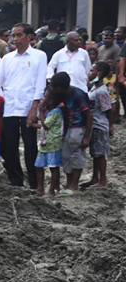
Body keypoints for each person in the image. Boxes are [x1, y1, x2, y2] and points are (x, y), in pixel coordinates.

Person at [0, 22, 47, 189]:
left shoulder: (39, 56)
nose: (15, 39)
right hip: (9, 107)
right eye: (13, 36)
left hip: (28, 107)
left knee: (31, 146)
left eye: (19, 35)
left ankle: (34, 182)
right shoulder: (7, 58)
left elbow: (40, 83)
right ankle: (16, 180)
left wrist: (34, 108)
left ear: (29, 36)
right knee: (9, 146)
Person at [49, 71, 92, 194]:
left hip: (79, 128)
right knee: (66, 155)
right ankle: (69, 183)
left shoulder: (78, 95)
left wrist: (86, 137)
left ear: (58, 88)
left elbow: (89, 115)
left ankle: (75, 184)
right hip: (70, 128)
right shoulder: (65, 95)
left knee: (76, 155)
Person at [83, 60, 114, 188]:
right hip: (94, 125)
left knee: (100, 154)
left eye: (92, 70)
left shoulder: (101, 91)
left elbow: (108, 109)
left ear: (99, 73)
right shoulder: (94, 87)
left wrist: (110, 126)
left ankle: (103, 181)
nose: (89, 73)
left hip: (99, 126)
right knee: (95, 153)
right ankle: (95, 178)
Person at [32, 87, 65, 197]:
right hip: (45, 143)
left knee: (53, 167)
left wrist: (41, 112)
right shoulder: (50, 111)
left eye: (45, 96)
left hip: (53, 143)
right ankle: (40, 188)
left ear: (50, 100)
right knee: (39, 165)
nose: (42, 98)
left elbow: (46, 125)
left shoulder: (56, 112)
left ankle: (52, 190)